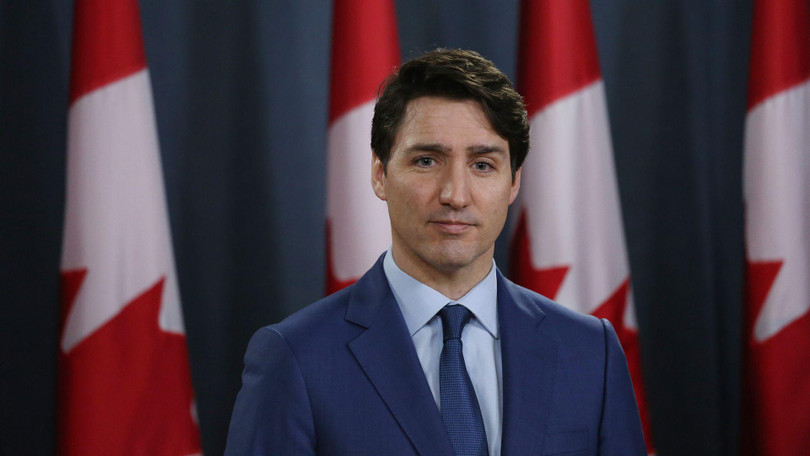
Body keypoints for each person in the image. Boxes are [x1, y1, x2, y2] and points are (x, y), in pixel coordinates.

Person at [225, 49, 646, 456]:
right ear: (380, 174)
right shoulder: (296, 357)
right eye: (427, 161)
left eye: (482, 165)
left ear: (514, 182)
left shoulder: (591, 353)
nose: (456, 195)